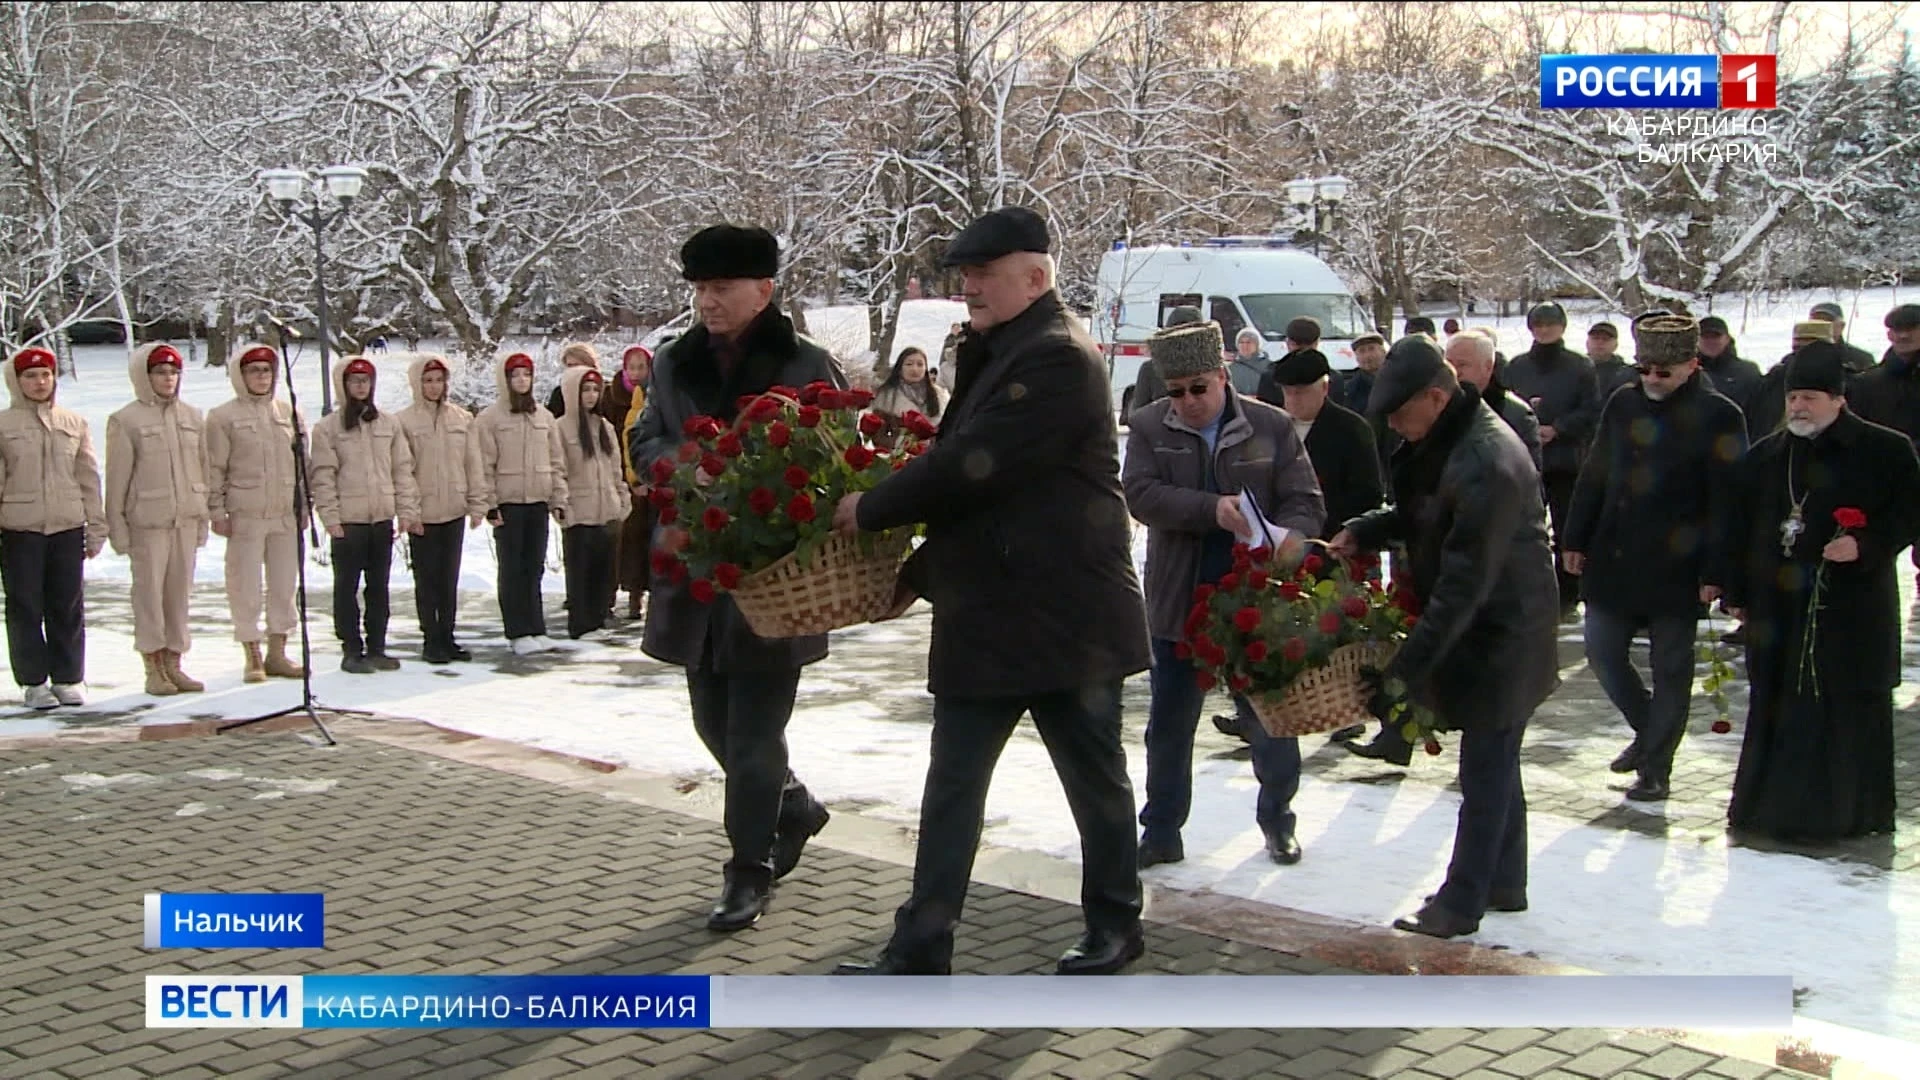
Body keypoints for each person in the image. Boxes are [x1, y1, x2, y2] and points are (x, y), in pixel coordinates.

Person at [831, 206, 1150, 976]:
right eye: (964, 276)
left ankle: (1116, 922)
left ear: (1035, 278)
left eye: (983, 275)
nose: (968, 286)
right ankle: (921, 943)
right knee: (953, 787)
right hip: (992, 610)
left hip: (1064, 615)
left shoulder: (1055, 357)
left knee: (1094, 781)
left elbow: (975, 464)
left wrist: (870, 509)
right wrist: (917, 573)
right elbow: (979, 488)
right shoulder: (999, 347)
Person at [628, 224, 841, 932]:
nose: (707, 303)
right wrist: (692, 465)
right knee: (711, 723)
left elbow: (839, 453)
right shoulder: (670, 364)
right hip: (694, 572)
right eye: (698, 289)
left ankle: (748, 869)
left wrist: (759, 478)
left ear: (765, 290)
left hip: (772, 577)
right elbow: (647, 437)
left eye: (720, 289)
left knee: (754, 733)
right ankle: (793, 806)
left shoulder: (806, 364)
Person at [1332, 336, 1559, 939]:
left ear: (1436, 396)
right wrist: (1366, 530)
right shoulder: (1446, 438)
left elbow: (1464, 586)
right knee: (1496, 764)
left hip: (1505, 633)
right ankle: (1505, 882)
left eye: (1401, 417)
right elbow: (1424, 514)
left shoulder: (1486, 459)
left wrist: (1402, 673)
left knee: (1484, 771)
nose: (1396, 430)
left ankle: (1461, 903)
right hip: (1489, 626)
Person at [1122, 318, 1323, 869]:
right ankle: (1161, 829)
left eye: (1198, 388)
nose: (1188, 401)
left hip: (1254, 601)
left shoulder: (1270, 425)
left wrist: (1293, 539)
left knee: (1269, 720)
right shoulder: (1147, 428)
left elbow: (1304, 498)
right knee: (1168, 726)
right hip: (1179, 598)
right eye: (1176, 391)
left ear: (1222, 376)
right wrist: (1211, 509)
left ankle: (1278, 821)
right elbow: (1140, 494)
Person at [1721, 342, 1920, 842]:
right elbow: (1739, 526)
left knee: (1843, 705)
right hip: (1779, 605)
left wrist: (1867, 544)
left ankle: (1847, 814)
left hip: (1851, 606)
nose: (1798, 408)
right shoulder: (1767, 456)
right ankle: (1769, 811)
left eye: (1809, 397)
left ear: (1838, 399)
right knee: (1779, 703)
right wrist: (1735, 589)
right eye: (1792, 398)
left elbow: (1909, 513)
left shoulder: (1886, 450)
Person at [1563, 315, 1747, 802]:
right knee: (1602, 652)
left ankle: (1657, 767)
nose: (1651, 380)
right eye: (1644, 369)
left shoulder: (1720, 414)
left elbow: (1730, 500)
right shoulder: (1623, 403)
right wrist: (1574, 537)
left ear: (1692, 365)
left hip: (1680, 565)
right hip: (1616, 553)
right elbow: (1595, 472)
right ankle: (1649, 734)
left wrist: (1717, 571)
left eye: (1662, 372)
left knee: (1671, 668)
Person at [0, 347, 105, 709]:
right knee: (25, 605)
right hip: (20, 528)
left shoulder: (73, 423)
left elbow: (88, 478)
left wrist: (96, 525)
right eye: (31, 376)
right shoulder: (3, 425)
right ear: (16, 381)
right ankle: (33, 681)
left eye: (45, 374)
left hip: (66, 525)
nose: (40, 382)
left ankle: (68, 677)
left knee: (67, 604)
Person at [106, 343, 211, 697]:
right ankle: (152, 665)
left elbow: (203, 469)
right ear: (144, 376)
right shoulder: (127, 420)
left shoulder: (193, 417)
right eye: (159, 372)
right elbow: (118, 478)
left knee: (179, 595)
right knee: (149, 595)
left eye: (173, 372)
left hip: (185, 519)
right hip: (147, 522)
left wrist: (203, 515)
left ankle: (175, 662)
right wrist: (117, 527)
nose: (168, 379)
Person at [309, 356, 420, 674]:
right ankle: (351, 648)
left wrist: (405, 510)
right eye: (354, 380)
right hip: (349, 521)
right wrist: (330, 517)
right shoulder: (327, 428)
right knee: (346, 587)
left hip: (380, 518)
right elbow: (323, 476)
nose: (360, 386)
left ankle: (377, 646)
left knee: (379, 587)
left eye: (366, 380)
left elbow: (402, 469)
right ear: (343, 385)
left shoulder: (388, 424)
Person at [206, 343, 304, 683]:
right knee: (245, 584)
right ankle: (252, 652)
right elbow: (215, 468)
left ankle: (279, 650)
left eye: (266, 371)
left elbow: (301, 464)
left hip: (283, 513)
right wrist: (217, 510)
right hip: (245, 512)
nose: (261, 377)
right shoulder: (223, 417)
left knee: (283, 584)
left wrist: (304, 506)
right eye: (254, 371)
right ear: (240, 376)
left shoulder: (287, 411)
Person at [1502, 302, 1600, 619]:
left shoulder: (1580, 367)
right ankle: (1524, 591)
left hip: (1565, 459)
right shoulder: (1517, 367)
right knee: (1522, 529)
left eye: (1550, 324)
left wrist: (1558, 428)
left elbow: (1591, 410)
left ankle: (1567, 595)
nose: (1544, 330)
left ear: (1562, 327)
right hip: (1524, 458)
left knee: (1565, 527)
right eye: (1538, 324)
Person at [476, 351, 570, 657]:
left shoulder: (543, 417)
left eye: (526, 375)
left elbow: (556, 462)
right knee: (512, 569)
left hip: (537, 502)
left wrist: (558, 498)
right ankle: (517, 630)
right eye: (515, 375)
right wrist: (490, 503)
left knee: (534, 568)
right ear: (505, 380)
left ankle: (535, 626)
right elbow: (484, 464)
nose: (521, 381)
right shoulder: (490, 419)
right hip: (509, 503)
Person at [397, 354, 488, 664]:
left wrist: (478, 503)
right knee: (427, 579)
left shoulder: (461, 419)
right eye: (428, 381)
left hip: (453, 509)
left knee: (449, 578)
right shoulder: (404, 422)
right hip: (424, 513)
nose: (434, 387)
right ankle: (430, 638)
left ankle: (447, 635)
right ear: (416, 383)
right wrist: (409, 511)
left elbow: (473, 464)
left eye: (438, 380)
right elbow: (403, 470)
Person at [555, 368, 627, 639]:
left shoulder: (605, 427)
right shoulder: (561, 427)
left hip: (606, 509)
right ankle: (581, 622)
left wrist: (622, 501)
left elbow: (615, 469)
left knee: (603, 569)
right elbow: (557, 469)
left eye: (596, 390)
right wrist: (563, 505)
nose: (591, 396)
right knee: (580, 569)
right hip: (579, 510)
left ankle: (598, 619)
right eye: (585, 390)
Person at [1444, 330, 1543, 472]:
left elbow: (1527, 476)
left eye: (1462, 365)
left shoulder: (1516, 415)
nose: (1454, 371)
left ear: (1488, 367)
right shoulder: (1436, 406)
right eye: (1448, 363)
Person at [607, 344, 653, 622]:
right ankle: (613, 593)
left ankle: (639, 594)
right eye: (631, 367)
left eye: (641, 367)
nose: (636, 373)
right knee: (623, 539)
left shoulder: (655, 396)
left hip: (647, 479)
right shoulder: (611, 396)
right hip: (622, 478)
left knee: (646, 540)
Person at [1846, 304, 1920, 457]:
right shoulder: (1866, 384)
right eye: (1897, 330)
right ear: (1889, 335)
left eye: (1911, 329)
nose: (1903, 336)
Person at [1694, 316, 1764, 429]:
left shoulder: (1747, 371)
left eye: (1716, 336)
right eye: (1705, 336)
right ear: (1696, 340)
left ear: (1727, 338)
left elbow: (1760, 412)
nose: (1711, 341)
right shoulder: (1685, 371)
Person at [870, 346, 947, 444]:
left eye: (920, 365)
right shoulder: (886, 397)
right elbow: (878, 434)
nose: (915, 369)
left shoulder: (940, 397)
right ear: (899, 368)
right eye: (909, 364)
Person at [1808, 301, 1877, 375]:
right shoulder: (1800, 358)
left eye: (1827, 321)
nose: (1821, 326)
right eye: (1816, 322)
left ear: (1842, 326)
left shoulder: (1861, 360)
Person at [544, 341, 600, 418]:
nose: (573, 370)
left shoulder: (604, 392)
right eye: (569, 366)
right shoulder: (559, 394)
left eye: (577, 365)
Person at [1586, 322, 1635, 398]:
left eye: (1606, 339)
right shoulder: (1575, 368)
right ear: (1587, 343)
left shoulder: (1627, 374)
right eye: (1595, 338)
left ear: (1615, 345)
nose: (1600, 342)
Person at [1227, 327, 1270, 396]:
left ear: (1257, 345)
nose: (1244, 345)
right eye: (1241, 342)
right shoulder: (1230, 368)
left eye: (1248, 342)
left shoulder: (1268, 366)